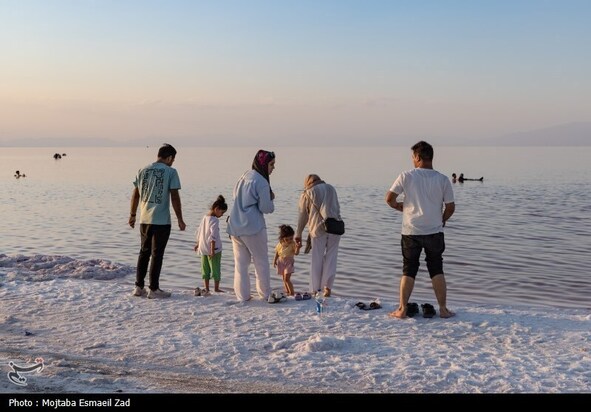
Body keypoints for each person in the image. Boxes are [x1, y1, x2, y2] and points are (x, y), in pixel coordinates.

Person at [385, 141, 455, 319]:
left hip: (411, 231)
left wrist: (400, 207)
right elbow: (450, 207)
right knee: (436, 268)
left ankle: (401, 309)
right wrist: (442, 219)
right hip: (434, 231)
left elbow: (389, 198)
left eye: (412, 157)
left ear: (417, 157)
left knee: (409, 269)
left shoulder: (407, 176)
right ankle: (444, 309)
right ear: (430, 157)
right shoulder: (442, 179)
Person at [129, 143, 186, 299]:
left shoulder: (143, 170)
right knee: (157, 254)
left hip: (144, 219)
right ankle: (153, 289)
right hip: (161, 221)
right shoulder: (171, 172)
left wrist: (132, 214)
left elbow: (136, 194)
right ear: (169, 158)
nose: (172, 162)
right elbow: (174, 196)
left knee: (143, 252)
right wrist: (180, 219)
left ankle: (138, 287)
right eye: (172, 159)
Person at [226, 150, 276, 302]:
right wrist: (271, 199)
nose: (273, 168)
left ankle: (242, 295)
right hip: (253, 227)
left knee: (241, 263)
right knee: (261, 262)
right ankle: (265, 294)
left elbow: (235, 196)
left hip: (235, 225)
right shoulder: (261, 181)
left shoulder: (245, 175)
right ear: (264, 164)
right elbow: (266, 208)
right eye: (271, 164)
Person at [295, 174, 343, 298]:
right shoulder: (331, 188)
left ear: (308, 183)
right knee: (331, 258)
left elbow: (303, 216)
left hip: (317, 228)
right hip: (335, 226)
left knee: (317, 259)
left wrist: (298, 233)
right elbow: (337, 208)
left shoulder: (307, 193)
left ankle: (316, 289)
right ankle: (327, 288)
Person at [194, 195, 228, 295]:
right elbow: (213, 236)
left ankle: (207, 288)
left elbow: (199, 231)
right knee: (216, 268)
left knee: (205, 268)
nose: (221, 215)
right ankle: (216, 288)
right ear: (216, 209)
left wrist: (198, 244)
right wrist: (212, 250)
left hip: (203, 248)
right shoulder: (214, 220)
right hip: (214, 250)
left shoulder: (205, 218)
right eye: (222, 212)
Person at [273, 224, 301, 296]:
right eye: (287, 239)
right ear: (282, 238)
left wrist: (298, 248)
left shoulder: (292, 244)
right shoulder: (280, 243)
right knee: (284, 279)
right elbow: (277, 252)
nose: (289, 240)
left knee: (287, 279)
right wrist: (274, 260)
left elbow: (296, 253)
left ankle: (292, 293)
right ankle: (287, 291)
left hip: (289, 262)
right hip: (281, 261)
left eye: (291, 238)